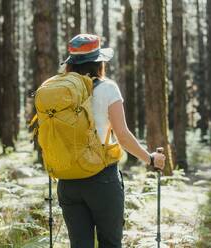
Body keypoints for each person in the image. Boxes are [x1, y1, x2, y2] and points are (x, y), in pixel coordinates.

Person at [57, 34, 166, 248]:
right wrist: (150, 159)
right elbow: (122, 135)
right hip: (101, 178)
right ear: (99, 62)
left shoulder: (59, 90)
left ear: (70, 64)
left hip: (67, 178)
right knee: (110, 244)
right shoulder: (107, 88)